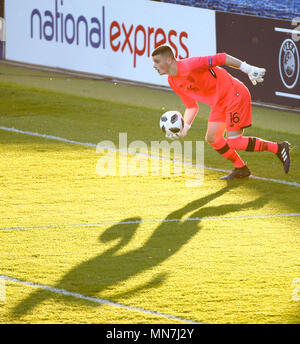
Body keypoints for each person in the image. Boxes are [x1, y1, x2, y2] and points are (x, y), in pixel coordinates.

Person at [151, 44, 291, 179]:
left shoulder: (191, 64)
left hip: (234, 94)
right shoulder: (172, 81)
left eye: (157, 61)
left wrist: (248, 69)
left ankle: (278, 148)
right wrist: (184, 129)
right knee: (213, 138)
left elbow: (222, 57)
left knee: (234, 142)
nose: (154, 66)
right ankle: (241, 169)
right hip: (219, 103)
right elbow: (191, 106)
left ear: (169, 59)